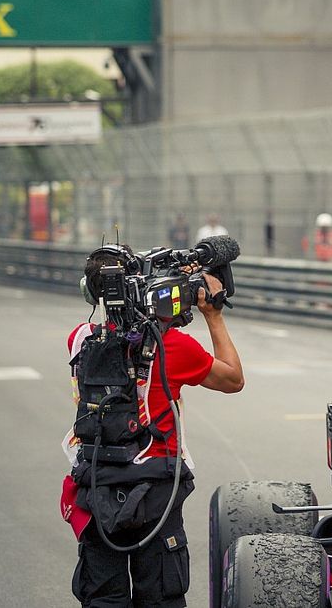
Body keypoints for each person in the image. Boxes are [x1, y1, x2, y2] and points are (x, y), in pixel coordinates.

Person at [61, 245, 245, 607]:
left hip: (97, 485)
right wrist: (213, 315)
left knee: (103, 600)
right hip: (157, 489)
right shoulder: (174, 346)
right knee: (161, 598)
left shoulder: (79, 339)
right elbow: (233, 379)